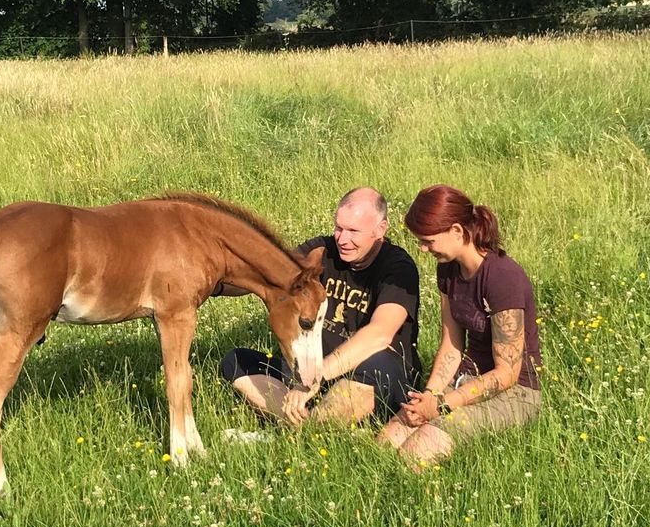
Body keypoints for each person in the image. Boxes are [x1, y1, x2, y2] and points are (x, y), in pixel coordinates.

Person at [218, 187, 421, 427]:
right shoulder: (321, 250)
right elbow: (269, 274)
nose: (343, 239)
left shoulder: (397, 267)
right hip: (312, 373)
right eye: (339, 228)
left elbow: (379, 334)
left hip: (365, 374)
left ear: (381, 229)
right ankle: (306, 424)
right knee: (236, 361)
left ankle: (308, 429)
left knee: (380, 368)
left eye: (354, 231)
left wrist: (316, 377)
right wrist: (214, 284)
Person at [380, 184, 542, 468]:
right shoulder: (448, 269)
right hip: (464, 382)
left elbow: (507, 374)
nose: (423, 248)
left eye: (428, 240)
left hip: (516, 395)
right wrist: (427, 397)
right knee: (387, 441)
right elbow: (452, 345)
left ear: (457, 231)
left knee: (414, 453)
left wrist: (442, 406)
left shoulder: (503, 278)